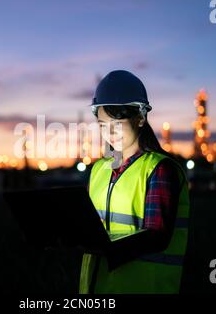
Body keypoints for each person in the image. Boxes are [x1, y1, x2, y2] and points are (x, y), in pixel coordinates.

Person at [79, 70, 190, 294]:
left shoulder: (158, 169)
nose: (109, 132)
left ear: (140, 117)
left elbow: (156, 237)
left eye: (117, 122)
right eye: (102, 124)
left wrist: (105, 247)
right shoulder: (98, 170)